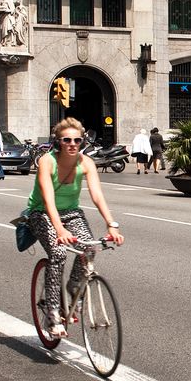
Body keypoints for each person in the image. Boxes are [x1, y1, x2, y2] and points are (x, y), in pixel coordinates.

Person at [24, 116, 123, 339]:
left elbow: (97, 195)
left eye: (77, 140)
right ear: (58, 141)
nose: (72, 144)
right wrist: (59, 229)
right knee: (58, 254)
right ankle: (52, 314)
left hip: (72, 213)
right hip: (41, 213)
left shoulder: (85, 162)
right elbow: (48, 199)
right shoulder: (47, 162)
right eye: (66, 140)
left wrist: (112, 225)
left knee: (89, 249)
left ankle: (73, 288)